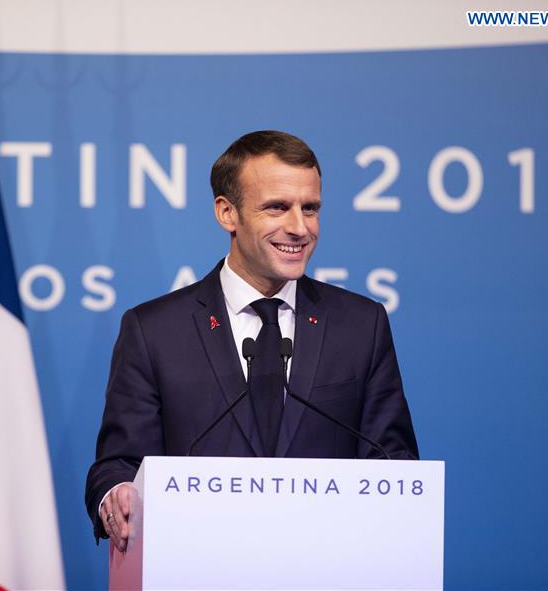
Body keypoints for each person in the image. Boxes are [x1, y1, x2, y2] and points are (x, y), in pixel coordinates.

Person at [85, 130, 418, 551]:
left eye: (310, 208)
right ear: (227, 213)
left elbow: (393, 465)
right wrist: (116, 494)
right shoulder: (154, 330)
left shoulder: (361, 325)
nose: (299, 228)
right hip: (195, 564)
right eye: (277, 207)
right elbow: (118, 465)